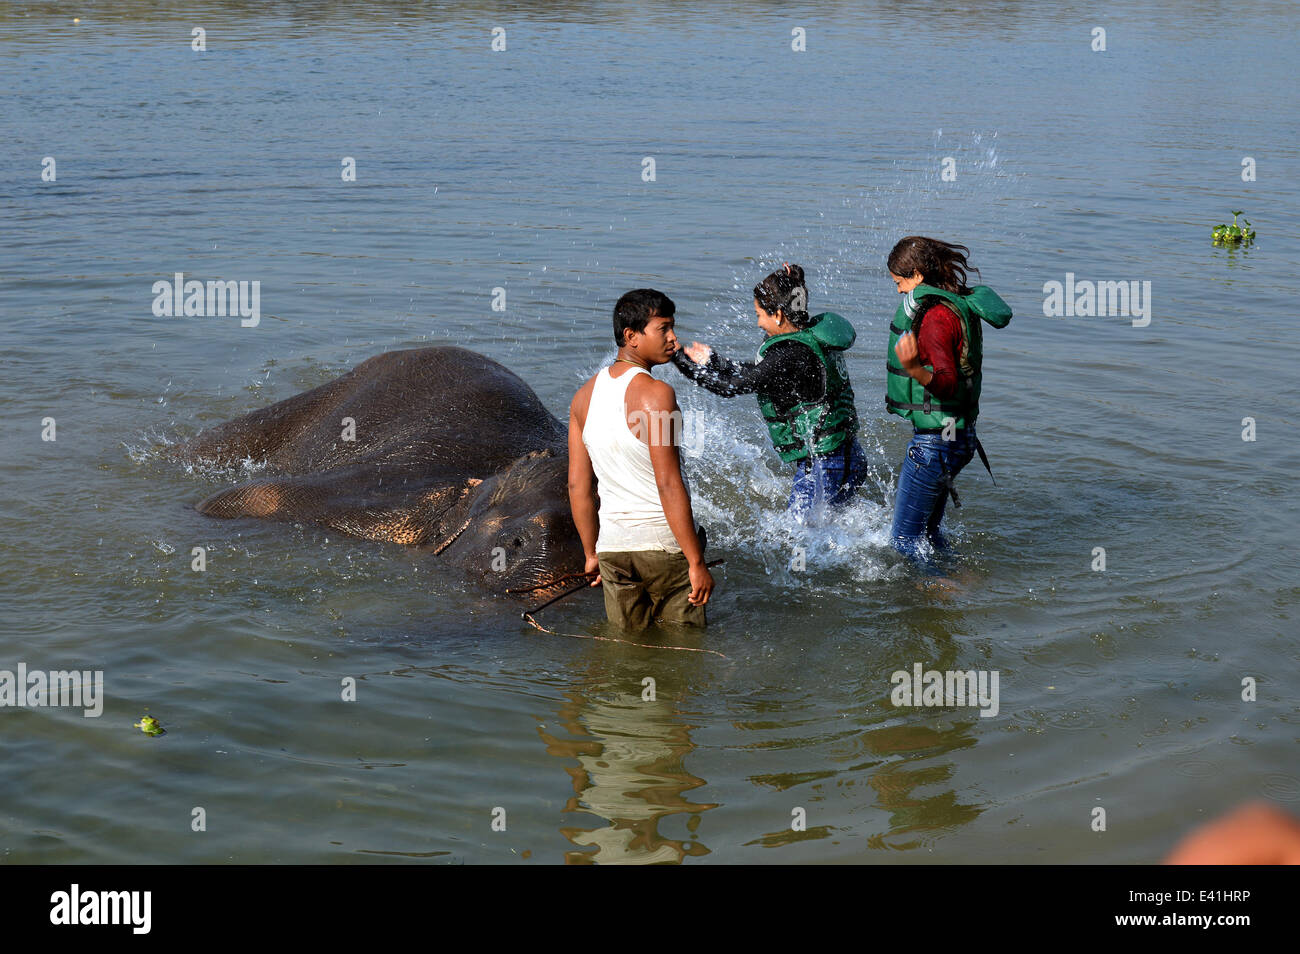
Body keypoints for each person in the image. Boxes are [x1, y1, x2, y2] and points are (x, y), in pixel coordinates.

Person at [672, 263, 869, 518]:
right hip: (850, 456)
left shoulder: (788, 353)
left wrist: (678, 359)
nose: (758, 323)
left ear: (777, 314)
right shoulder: (809, 338)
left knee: (799, 541)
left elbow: (730, 388)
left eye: (759, 314)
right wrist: (714, 361)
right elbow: (759, 373)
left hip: (823, 466)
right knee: (832, 534)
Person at [567, 288, 713, 631]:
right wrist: (695, 561)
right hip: (662, 546)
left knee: (629, 653)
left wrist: (592, 553)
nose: (674, 340)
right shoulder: (659, 395)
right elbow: (667, 482)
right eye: (663, 329)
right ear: (631, 336)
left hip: (613, 551)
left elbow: (578, 485)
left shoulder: (582, 398)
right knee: (683, 652)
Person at [884, 236, 1011, 565]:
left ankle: (948, 590)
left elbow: (947, 383)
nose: (899, 290)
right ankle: (960, 581)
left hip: (936, 444)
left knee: (903, 541)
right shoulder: (954, 303)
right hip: (958, 438)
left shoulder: (936, 318)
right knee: (929, 533)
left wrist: (912, 367)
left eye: (899, 282)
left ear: (917, 275)